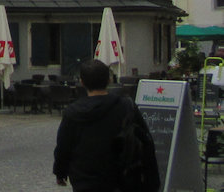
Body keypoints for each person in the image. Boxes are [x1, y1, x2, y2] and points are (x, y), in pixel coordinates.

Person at [53, 59, 158, 192]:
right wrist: (152, 179)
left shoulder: (72, 113)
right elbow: (146, 142)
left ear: (82, 82)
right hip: (121, 179)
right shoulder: (126, 106)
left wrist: (60, 172)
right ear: (109, 80)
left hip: (86, 180)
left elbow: (64, 146)